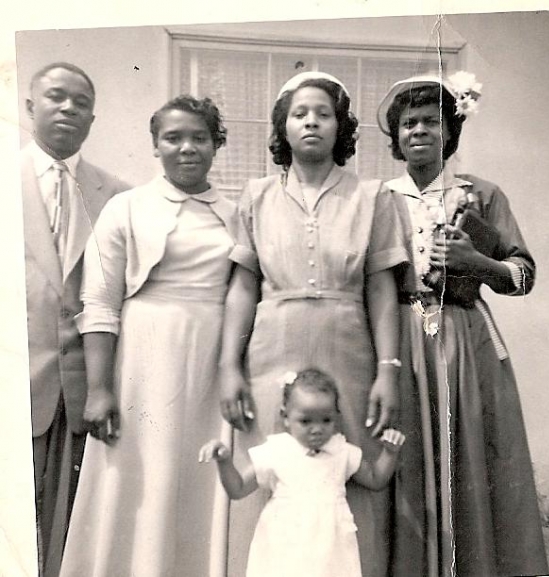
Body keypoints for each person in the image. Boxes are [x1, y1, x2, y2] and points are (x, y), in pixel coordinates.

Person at [219, 71, 409, 577]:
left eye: (324, 114)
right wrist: (228, 367)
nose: (311, 122)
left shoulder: (373, 197)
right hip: (270, 350)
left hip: (350, 351)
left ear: (340, 127)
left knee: (351, 477)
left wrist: (388, 369)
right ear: (282, 126)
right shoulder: (255, 196)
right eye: (300, 113)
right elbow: (242, 288)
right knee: (271, 474)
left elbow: (381, 288)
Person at [377, 73, 549, 577]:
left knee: (469, 456)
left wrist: (477, 260)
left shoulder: (483, 194)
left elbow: (522, 276)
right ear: (396, 136)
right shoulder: (378, 198)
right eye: (408, 123)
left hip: (464, 338)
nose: (419, 132)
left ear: (450, 132)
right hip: (402, 336)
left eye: (431, 121)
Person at [58, 95, 237, 577]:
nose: (186, 148)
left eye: (199, 137)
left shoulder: (237, 213)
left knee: (202, 479)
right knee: (143, 480)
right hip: (143, 362)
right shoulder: (126, 208)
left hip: (212, 362)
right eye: (172, 138)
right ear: (155, 146)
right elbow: (98, 302)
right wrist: (99, 389)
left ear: (216, 144)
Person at [20, 61, 129, 577]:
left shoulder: (118, 194)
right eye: (55, 97)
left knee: (66, 530)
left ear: (92, 118)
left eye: (80, 103)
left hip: (80, 387)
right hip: (15, 382)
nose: (68, 108)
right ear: (29, 107)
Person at [200, 368, 406, 577]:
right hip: (284, 544)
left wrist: (390, 453)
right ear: (286, 417)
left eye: (326, 420)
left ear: (337, 417)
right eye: (306, 421)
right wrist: (224, 461)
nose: (316, 429)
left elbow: (376, 479)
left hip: (330, 547)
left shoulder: (340, 450)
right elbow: (238, 489)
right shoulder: (277, 450)